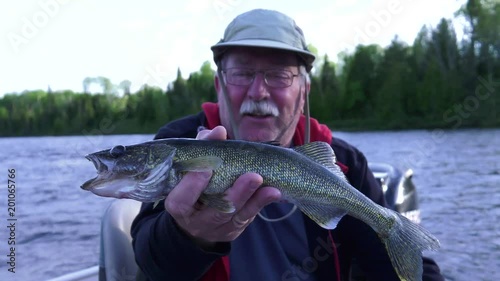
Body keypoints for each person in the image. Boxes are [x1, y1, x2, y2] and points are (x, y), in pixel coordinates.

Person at [131, 9, 444, 281]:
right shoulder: (180, 144)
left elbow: (388, 266)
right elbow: (152, 265)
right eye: (242, 74)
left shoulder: (345, 162)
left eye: (279, 76)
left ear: (304, 91)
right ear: (219, 85)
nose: (258, 92)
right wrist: (189, 236)